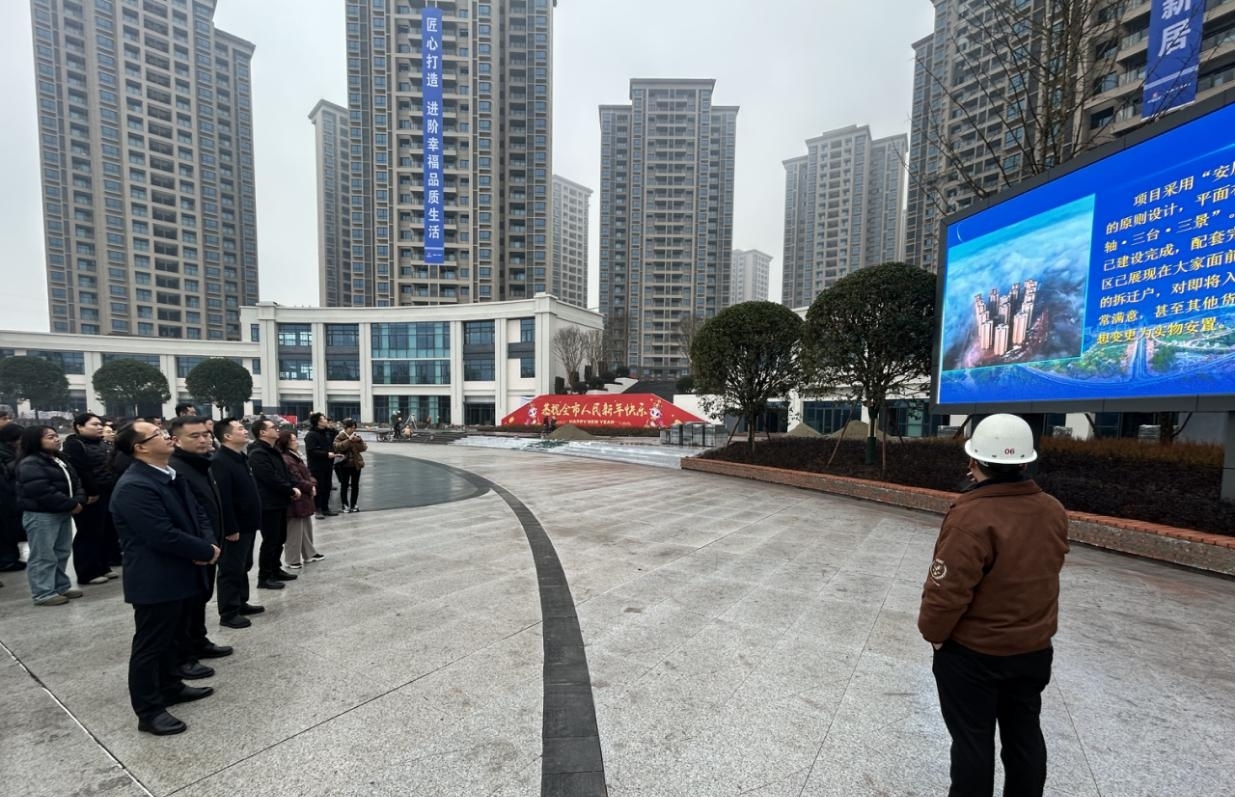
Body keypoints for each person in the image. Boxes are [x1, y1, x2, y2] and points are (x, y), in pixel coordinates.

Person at [918, 414, 1070, 797]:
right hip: (1033, 650)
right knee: (1024, 737)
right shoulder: (1052, 509)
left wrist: (934, 635)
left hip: (975, 655)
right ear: (1025, 463)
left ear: (974, 460)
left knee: (972, 742)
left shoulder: (971, 516)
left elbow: (947, 590)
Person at [110, 421, 219, 736]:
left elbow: (199, 513)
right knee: (151, 645)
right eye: (157, 434)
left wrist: (208, 544)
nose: (166, 436)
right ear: (140, 447)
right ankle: (148, 711)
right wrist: (202, 550)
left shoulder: (168, 474)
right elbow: (160, 534)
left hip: (183, 568)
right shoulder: (134, 486)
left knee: (174, 637)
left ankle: (171, 686)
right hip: (156, 577)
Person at [169, 416, 233, 670]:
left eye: (206, 434)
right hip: (193, 549)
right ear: (175, 440)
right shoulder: (175, 469)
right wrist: (198, 546)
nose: (203, 439)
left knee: (201, 597)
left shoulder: (202, 464)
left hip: (209, 544)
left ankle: (198, 640)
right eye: (194, 436)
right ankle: (184, 657)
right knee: (186, 604)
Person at [15, 425, 86, 606]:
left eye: (56, 436)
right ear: (35, 440)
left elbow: (76, 481)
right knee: (43, 555)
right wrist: (71, 504)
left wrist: (78, 500)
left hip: (62, 512)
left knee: (61, 552)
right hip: (42, 515)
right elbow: (42, 491)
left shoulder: (58, 459)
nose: (56, 439)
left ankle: (60, 586)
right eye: (50, 437)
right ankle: (43, 593)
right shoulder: (30, 463)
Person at [210, 418, 265, 628]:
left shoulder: (240, 457)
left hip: (247, 523)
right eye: (240, 429)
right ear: (227, 436)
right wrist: (230, 527)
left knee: (244, 565)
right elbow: (223, 498)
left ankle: (241, 601)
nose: (245, 431)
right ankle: (228, 612)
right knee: (231, 568)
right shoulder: (220, 461)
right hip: (235, 527)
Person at [60, 412, 119, 586]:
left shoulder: (102, 443)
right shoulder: (74, 445)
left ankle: (103, 566)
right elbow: (80, 471)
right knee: (89, 533)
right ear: (79, 427)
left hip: (109, 492)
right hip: (90, 496)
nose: (99, 427)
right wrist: (91, 491)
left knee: (108, 531)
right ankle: (87, 572)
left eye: (100, 424)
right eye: (94, 424)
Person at [247, 418, 301, 588]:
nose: (277, 429)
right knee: (270, 540)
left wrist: (293, 486)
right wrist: (290, 490)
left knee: (280, 538)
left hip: (279, 501)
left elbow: (284, 473)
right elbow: (270, 477)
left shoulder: (273, 450)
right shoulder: (258, 453)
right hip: (268, 503)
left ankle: (275, 569)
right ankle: (264, 577)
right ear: (262, 432)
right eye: (273, 427)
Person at [275, 429, 323, 569]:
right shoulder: (287, 459)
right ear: (286, 442)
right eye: (294, 439)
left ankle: (309, 553)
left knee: (306, 527)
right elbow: (295, 479)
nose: (297, 442)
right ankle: (292, 559)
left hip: (304, 496)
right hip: (296, 498)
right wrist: (310, 486)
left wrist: (312, 484)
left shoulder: (294, 456)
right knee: (294, 531)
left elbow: (307, 474)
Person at [0, 423, 27, 575]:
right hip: (5, 497)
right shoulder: (5, 452)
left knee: (11, 530)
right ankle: (7, 561)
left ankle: (11, 558)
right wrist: (20, 459)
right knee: (6, 531)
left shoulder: (12, 450)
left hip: (12, 496)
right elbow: (8, 472)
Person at [303, 413, 338, 519]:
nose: (326, 420)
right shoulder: (311, 435)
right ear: (318, 422)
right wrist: (326, 454)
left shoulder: (327, 433)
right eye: (324, 419)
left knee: (327, 486)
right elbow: (311, 451)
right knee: (319, 487)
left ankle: (325, 508)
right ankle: (318, 509)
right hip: (316, 466)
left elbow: (334, 440)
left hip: (328, 465)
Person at [333, 419, 367, 513]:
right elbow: (337, 447)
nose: (353, 430)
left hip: (356, 464)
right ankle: (345, 505)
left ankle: (353, 504)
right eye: (351, 428)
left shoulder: (356, 436)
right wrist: (349, 440)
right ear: (346, 427)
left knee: (355, 485)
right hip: (344, 465)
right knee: (344, 485)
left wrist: (359, 441)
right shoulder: (340, 436)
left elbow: (363, 448)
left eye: (354, 428)